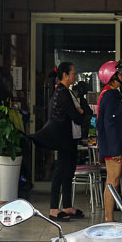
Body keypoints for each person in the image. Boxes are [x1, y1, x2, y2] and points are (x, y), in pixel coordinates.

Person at [45, 62, 89, 220]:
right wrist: (80, 112)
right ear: (65, 75)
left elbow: (79, 113)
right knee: (60, 171)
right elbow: (76, 116)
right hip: (63, 137)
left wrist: (80, 112)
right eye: (73, 74)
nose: (75, 76)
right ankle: (53, 208)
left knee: (69, 171)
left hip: (71, 137)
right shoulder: (62, 93)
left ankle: (68, 206)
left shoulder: (67, 92)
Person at [95, 60, 122, 223]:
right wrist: (115, 150)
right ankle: (109, 219)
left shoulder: (110, 94)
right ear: (112, 76)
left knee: (113, 181)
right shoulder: (110, 96)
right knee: (112, 181)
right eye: (119, 73)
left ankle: (110, 218)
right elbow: (109, 125)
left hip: (113, 145)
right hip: (112, 147)